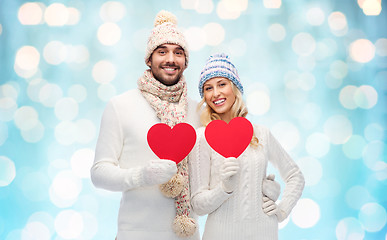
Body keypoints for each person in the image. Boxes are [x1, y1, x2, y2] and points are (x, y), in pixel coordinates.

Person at [90, 10, 200, 240]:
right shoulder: (120, 106)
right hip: (135, 234)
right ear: (149, 59)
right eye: (162, 52)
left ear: (185, 61)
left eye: (178, 53)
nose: (171, 59)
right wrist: (142, 176)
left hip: (186, 235)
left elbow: (213, 175)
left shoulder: (198, 111)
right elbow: (99, 173)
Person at [189, 53, 305, 240]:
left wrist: (282, 210)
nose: (216, 93)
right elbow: (198, 205)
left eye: (222, 84)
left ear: (235, 88)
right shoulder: (202, 137)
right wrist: (224, 188)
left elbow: (295, 176)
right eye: (208, 88)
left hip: (264, 233)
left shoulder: (261, 134)